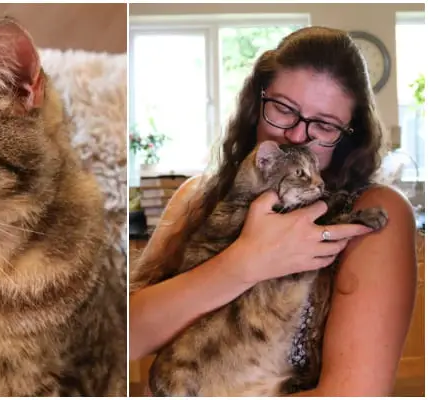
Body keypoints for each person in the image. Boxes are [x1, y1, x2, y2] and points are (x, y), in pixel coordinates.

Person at [129, 26, 417, 396]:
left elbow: (353, 392)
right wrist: (244, 263)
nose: (297, 136)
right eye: (283, 108)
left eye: (325, 125)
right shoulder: (196, 195)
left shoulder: (376, 211)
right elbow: (129, 339)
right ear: (256, 102)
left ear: (350, 134)